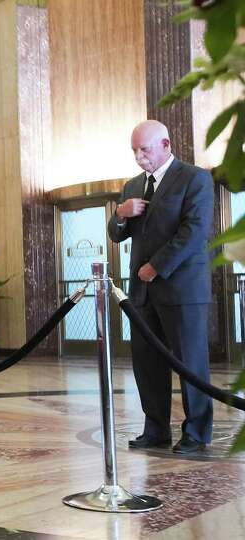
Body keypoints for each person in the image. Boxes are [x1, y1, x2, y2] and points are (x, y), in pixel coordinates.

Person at [107, 119, 214, 454]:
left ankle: (196, 434)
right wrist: (121, 214)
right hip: (142, 294)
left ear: (165, 145)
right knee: (147, 364)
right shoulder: (132, 185)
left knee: (190, 363)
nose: (139, 158)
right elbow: (116, 233)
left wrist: (157, 266)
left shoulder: (195, 178)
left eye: (145, 150)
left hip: (182, 290)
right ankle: (155, 430)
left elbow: (194, 231)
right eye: (134, 151)